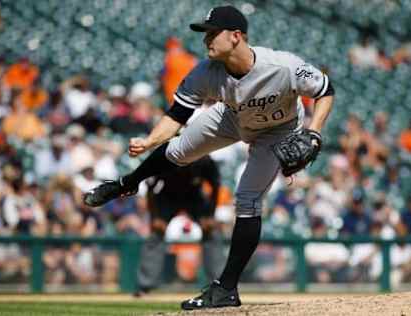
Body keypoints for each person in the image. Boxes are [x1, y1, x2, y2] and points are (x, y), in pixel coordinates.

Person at [84, 5, 335, 310]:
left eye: (213, 33)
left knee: (247, 199)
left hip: (278, 131)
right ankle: (127, 183)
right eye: (206, 33)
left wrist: (314, 131)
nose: (206, 40)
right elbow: (177, 115)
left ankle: (226, 288)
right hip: (233, 117)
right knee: (178, 150)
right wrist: (150, 140)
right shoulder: (205, 72)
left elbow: (325, 88)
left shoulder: (282, 65)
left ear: (236, 37)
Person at [135, 155, 224, 296]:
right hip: (167, 196)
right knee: (156, 234)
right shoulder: (164, 157)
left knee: (211, 233)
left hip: (194, 196)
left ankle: (219, 285)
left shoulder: (204, 159)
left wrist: (210, 215)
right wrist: (155, 217)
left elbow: (215, 186)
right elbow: (150, 188)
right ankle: (144, 286)